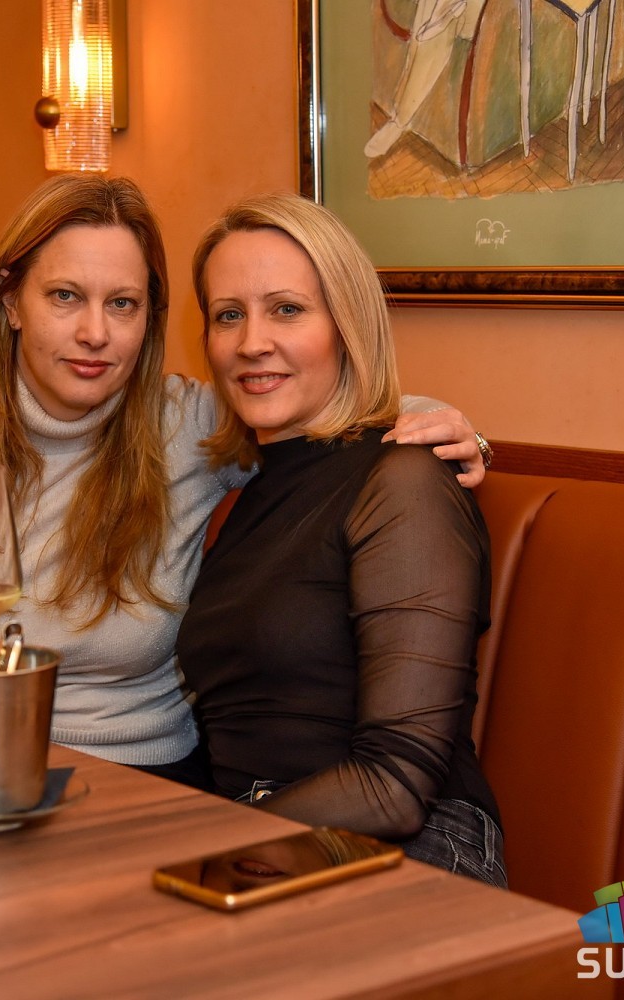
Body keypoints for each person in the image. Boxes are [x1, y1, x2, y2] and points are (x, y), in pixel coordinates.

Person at [0, 175, 485, 786]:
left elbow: (330, 412)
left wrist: (452, 428)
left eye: (122, 304)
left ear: (149, 316)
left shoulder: (186, 427)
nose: (95, 334)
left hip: (154, 777)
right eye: (65, 296)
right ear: (11, 302)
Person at [175, 192, 505, 886]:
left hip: (406, 848)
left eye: (286, 309)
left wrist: (202, 849)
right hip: (266, 836)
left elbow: (395, 785)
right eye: (228, 315)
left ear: (345, 325)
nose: (251, 342)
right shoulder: (247, 492)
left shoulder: (405, 480)